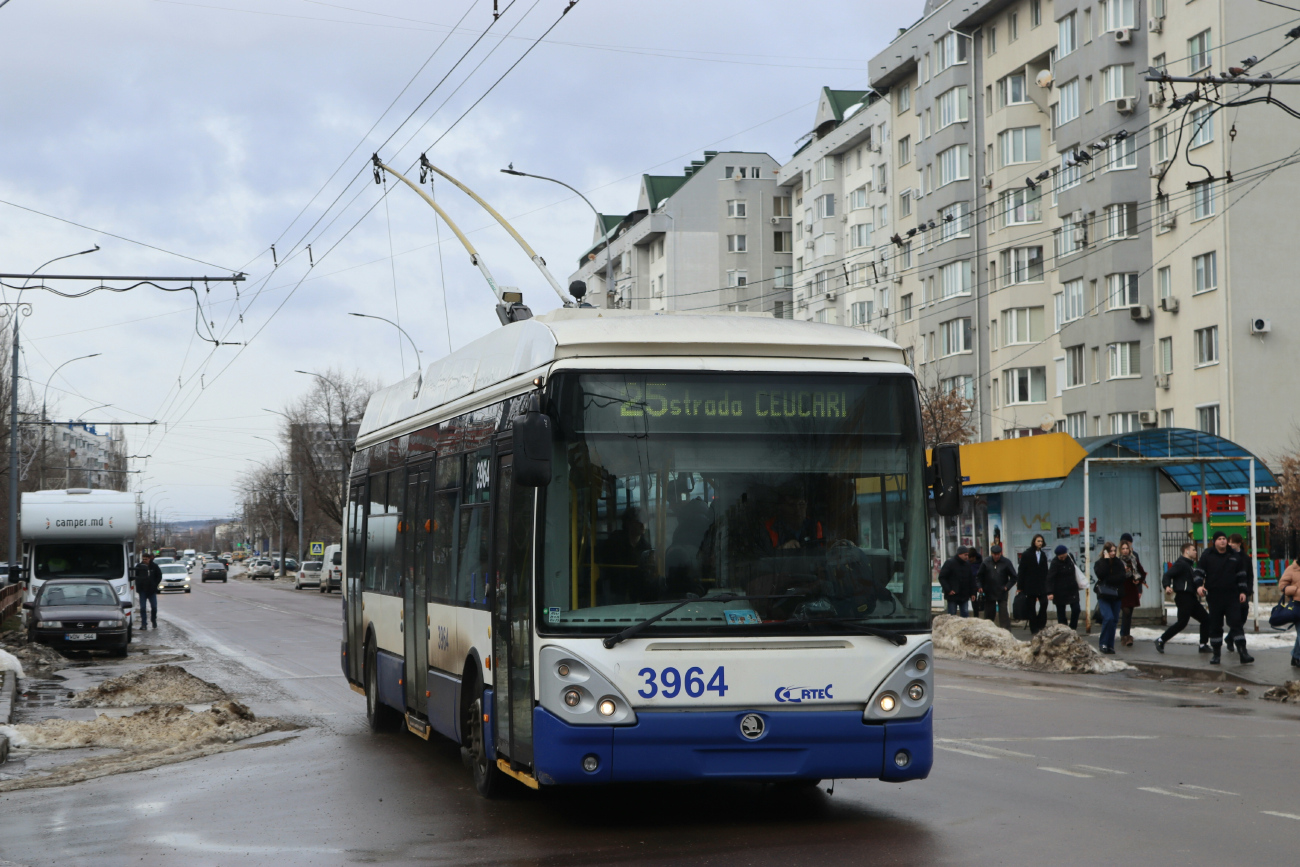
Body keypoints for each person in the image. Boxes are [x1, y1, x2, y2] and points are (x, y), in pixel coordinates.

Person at [1195, 531, 1254, 665]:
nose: (1222, 541)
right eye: (1219, 539)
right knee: (1215, 625)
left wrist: (1243, 591)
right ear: (1214, 541)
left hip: (1232, 596)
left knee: (1236, 623)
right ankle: (1216, 654)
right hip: (1214, 596)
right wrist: (1199, 586)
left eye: (1224, 539)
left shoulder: (1234, 556)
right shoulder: (1207, 555)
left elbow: (1242, 575)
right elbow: (1199, 572)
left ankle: (1243, 653)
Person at [1155, 541, 1209, 653]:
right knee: (1182, 623)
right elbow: (1167, 574)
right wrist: (1167, 586)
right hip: (1183, 596)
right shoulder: (1181, 563)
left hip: (1191, 597)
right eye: (1193, 550)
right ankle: (1161, 640)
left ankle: (1203, 645)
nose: (1195, 552)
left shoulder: (1189, 565)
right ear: (1186, 551)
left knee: (1205, 619)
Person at [596, 508, 655, 603]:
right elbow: (607, 569)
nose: (643, 525)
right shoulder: (615, 541)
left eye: (645, 522)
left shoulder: (646, 546)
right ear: (628, 523)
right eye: (639, 522)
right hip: (615, 590)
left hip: (638, 592)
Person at [761, 486, 824, 551]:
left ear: (806, 506)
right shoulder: (769, 528)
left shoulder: (816, 526)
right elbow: (760, 556)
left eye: (801, 504)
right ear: (781, 507)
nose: (797, 510)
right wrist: (781, 550)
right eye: (791, 505)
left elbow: (826, 554)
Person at [1093, 542, 1126, 654]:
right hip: (1104, 595)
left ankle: (1110, 645)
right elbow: (1101, 575)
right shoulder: (1100, 563)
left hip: (1116, 595)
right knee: (1108, 618)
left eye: (1114, 551)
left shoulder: (1119, 562)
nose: (1113, 553)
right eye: (1110, 551)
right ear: (1105, 551)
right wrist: (1106, 561)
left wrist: (1109, 579)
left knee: (1114, 620)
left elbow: (1122, 577)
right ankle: (1103, 643)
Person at [1117, 535, 1148, 647]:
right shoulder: (1116, 559)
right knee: (1126, 611)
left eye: (1128, 546)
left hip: (1131, 588)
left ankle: (1126, 635)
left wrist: (1138, 583)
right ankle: (1124, 635)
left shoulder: (1134, 557)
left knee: (1129, 613)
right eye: (1124, 547)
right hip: (1121, 588)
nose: (1126, 549)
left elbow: (1141, 573)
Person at [977, 544, 1017, 628]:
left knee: (1003, 615)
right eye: (995, 554)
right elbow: (979, 576)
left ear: (1000, 553)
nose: (996, 556)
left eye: (998, 554)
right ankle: (988, 631)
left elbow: (1014, 576)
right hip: (989, 591)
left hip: (1002, 591)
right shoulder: (986, 562)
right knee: (989, 615)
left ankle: (1006, 632)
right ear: (992, 554)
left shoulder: (1006, 562)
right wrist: (979, 586)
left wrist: (1007, 586)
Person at [1018, 534, 1051, 634]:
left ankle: (1041, 623)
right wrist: (1020, 586)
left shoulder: (1043, 555)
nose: (1040, 543)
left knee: (1044, 603)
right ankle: (1034, 627)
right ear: (1034, 542)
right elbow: (1021, 570)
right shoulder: (1027, 554)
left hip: (1041, 584)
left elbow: (1045, 570)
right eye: (1038, 541)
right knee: (1031, 607)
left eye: (1041, 541)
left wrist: (1047, 585)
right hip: (1030, 584)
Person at [1046, 544, 1081, 630]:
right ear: (1057, 556)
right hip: (1059, 590)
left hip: (1072, 588)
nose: (1063, 558)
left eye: (1064, 556)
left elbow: (1075, 569)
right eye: (1061, 557)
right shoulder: (1054, 563)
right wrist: (1050, 592)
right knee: (1061, 612)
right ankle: (1064, 629)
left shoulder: (1070, 557)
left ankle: (1073, 627)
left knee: (1076, 609)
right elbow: (1050, 578)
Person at [938, 546, 974, 617]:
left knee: (965, 614)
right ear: (959, 554)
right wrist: (948, 590)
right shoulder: (950, 563)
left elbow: (971, 580)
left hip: (964, 595)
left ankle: (965, 627)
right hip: (953, 595)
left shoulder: (967, 565)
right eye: (965, 555)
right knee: (952, 615)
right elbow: (942, 577)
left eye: (967, 555)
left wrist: (973, 593)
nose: (967, 557)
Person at [1279, 558, 1300, 668]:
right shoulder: (1292, 569)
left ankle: (1296, 656)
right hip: (1297, 606)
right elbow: (1282, 586)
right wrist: (1295, 590)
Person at [133, 552, 162, 629]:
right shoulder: (139, 567)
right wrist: (139, 586)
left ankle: (153, 619)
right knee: (142, 608)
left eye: (146, 559)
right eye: (143, 559)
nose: (144, 560)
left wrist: (155, 584)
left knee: (154, 607)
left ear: (149, 559)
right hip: (142, 590)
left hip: (152, 591)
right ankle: (144, 624)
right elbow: (136, 577)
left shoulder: (154, 566)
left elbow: (159, 576)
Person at [967, 547, 984, 618]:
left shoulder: (980, 563)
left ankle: (977, 615)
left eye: (970, 558)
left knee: (978, 601)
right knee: (973, 601)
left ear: (973, 557)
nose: (968, 560)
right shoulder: (968, 562)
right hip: (971, 584)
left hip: (977, 583)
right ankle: (976, 616)